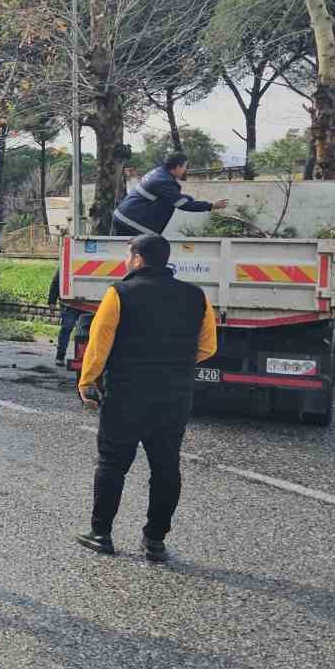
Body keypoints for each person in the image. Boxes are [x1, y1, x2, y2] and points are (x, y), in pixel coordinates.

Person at [76, 234, 217, 562]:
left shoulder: (119, 293)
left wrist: (87, 380)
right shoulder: (196, 296)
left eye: (129, 255)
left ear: (138, 259)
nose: (127, 261)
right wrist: (175, 364)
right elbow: (208, 346)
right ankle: (154, 541)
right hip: (174, 397)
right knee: (166, 466)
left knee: (112, 463)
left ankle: (101, 533)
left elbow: (99, 344)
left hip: (127, 394)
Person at [112, 152, 228, 237]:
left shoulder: (158, 172)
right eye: (185, 166)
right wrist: (211, 206)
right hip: (132, 223)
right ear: (178, 166)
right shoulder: (165, 182)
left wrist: (188, 198)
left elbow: (168, 198)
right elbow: (183, 205)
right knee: (145, 256)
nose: (185, 170)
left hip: (123, 216)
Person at [48, 270, 81, 367]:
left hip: (72, 303)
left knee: (68, 329)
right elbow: (57, 282)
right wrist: (52, 301)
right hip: (70, 303)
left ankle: (80, 357)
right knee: (67, 328)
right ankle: (60, 356)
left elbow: (56, 282)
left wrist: (52, 301)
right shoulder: (64, 267)